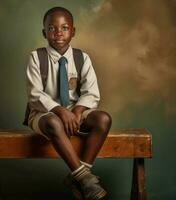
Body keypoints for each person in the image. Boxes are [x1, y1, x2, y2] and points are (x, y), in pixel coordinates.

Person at [25, 6, 112, 200]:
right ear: (44, 32)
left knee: (103, 119)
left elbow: (91, 92)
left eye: (64, 28)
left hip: (75, 112)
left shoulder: (82, 58)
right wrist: (60, 111)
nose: (58, 33)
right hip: (43, 114)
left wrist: (79, 111)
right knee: (54, 122)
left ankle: (79, 177)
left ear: (73, 31)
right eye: (52, 28)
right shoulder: (36, 57)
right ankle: (85, 178)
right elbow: (35, 94)